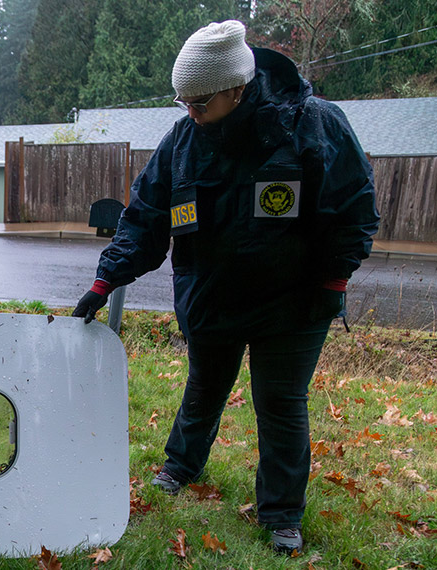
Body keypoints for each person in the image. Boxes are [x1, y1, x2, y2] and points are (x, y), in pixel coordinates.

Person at [73, 21, 379, 554]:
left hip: (293, 302)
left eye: (200, 101)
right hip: (212, 296)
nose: (189, 112)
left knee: (280, 402)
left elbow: (354, 210)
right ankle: (180, 466)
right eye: (183, 101)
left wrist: (334, 279)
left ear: (237, 88)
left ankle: (282, 514)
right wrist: (106, 279)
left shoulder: (313, 125)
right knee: (205, 386)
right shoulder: (183, 141)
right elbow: (145, 217)